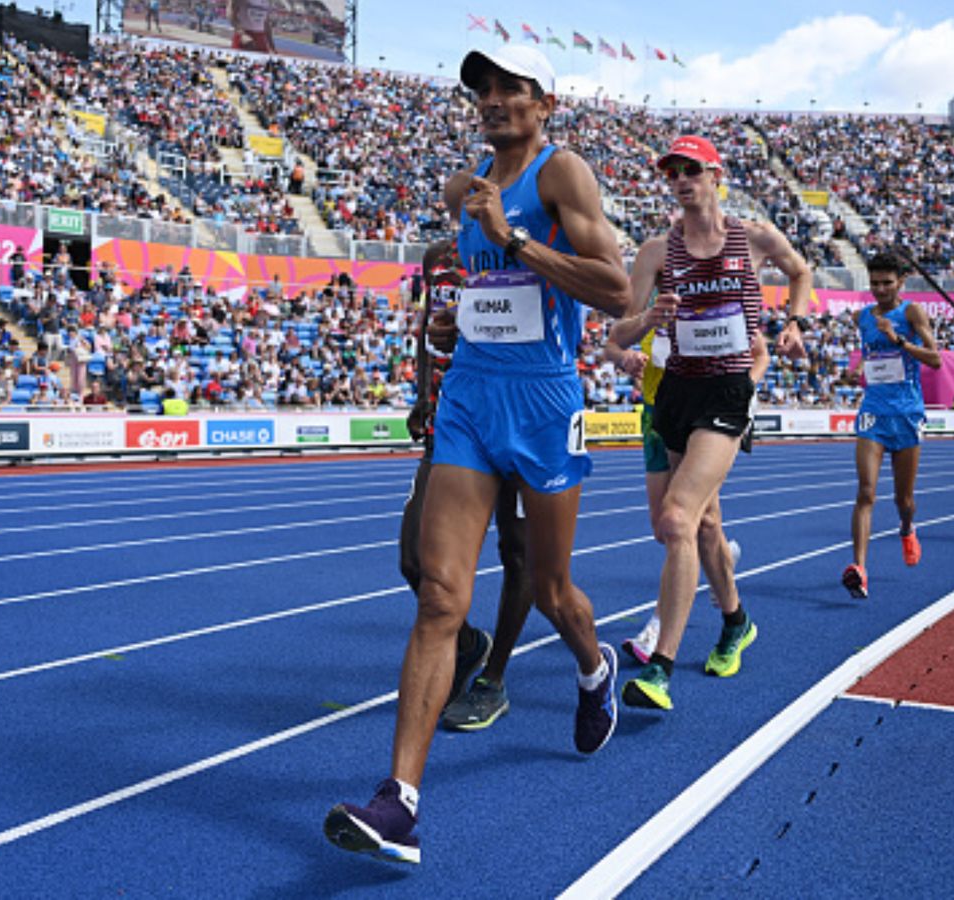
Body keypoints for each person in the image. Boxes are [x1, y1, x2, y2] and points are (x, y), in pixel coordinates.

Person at [325, 45, 631, 864]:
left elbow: (617, 290)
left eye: (510, 89)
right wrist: (463, 318)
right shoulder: (463, 191)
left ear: (545, 102)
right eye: (483, 90)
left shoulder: (561, 175)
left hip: (543, 402)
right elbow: (492, 290)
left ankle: (594, 669)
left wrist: (518, 242)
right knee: (437, 599)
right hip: (469, 398)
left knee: (557, 590)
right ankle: (399, 804)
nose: (493, 100)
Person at [615, 134, 812, 712]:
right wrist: (651, 316)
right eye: (672, 172)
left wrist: (793, 325)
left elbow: (800, 271)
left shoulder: (753, 239)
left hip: (729, 388)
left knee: (676, 518)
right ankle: (735, 623)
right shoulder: (655, 251)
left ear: (716, 176)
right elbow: (619, 333)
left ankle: (663, 669)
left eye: (692, 170)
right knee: (702, 526)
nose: (681, 180)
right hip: (677, 389)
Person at [400, 239, 532, 733]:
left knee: (520, 553)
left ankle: (492, 680)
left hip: (518, 415)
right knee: (414, 558)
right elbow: (426, 329)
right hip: (452, 421)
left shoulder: (529, 247)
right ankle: (467, 643)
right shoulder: (438, 257)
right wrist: (421, 394)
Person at [604, 307, 770, 663]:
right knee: (672, 527)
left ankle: (658, 631)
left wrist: (744, 391)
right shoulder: (649, 306)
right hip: (657, 415)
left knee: (685, 523)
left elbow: (760, 354)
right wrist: (625, 359)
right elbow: (612, 345)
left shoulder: (716, 299)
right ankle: (722, 567)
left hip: (708, 415)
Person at [841, 251, 942, 599]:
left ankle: (907, 527)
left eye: (887, 283)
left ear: (901, 282)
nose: (880, 289)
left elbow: (936, 360)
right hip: (873, 412)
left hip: (907, 413)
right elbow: (871, 354)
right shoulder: (863, 317)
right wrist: (856, 370)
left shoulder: (911, 312)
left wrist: (899, 339)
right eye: (874, 283)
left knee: (904, 498)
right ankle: (859, 568)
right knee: (866, 491)